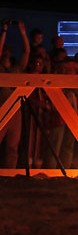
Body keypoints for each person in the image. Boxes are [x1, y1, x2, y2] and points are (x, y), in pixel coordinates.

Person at [0, 21, 30, 168]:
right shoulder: (0, 69)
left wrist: (23, 33)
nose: (6, 54)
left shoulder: (16, 69)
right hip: (1, 108)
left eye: (8, 52)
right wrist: (4, 32)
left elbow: (26, 53)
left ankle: (9, 174)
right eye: (4, 52)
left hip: (15, 110)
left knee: (13, 145)